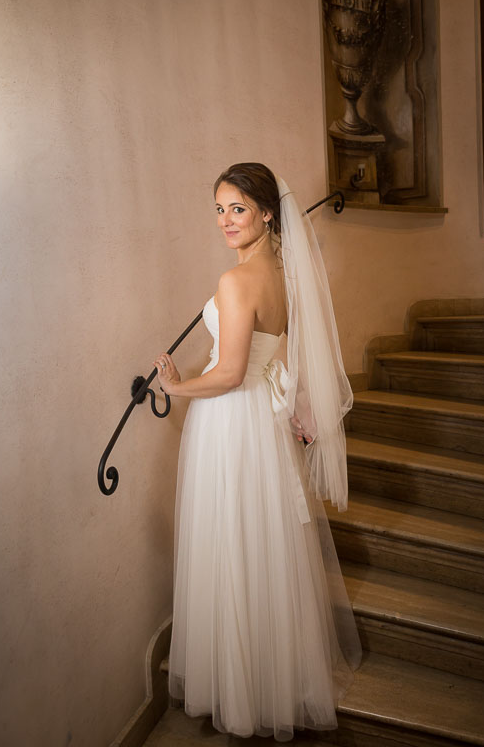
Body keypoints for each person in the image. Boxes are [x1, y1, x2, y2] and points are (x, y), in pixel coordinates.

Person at [154, 163, 362, 742]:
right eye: (219, 209)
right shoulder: (284, 275)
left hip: (231, 425)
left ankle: (238, 694)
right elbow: (275, 356)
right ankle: (274, 678)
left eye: (237, 208)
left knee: (230, 541)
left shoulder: (235, 280)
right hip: (263, 429)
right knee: (261, 542)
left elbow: (228, 374)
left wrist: (176, 388)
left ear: (267, 212)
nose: (225, 220)